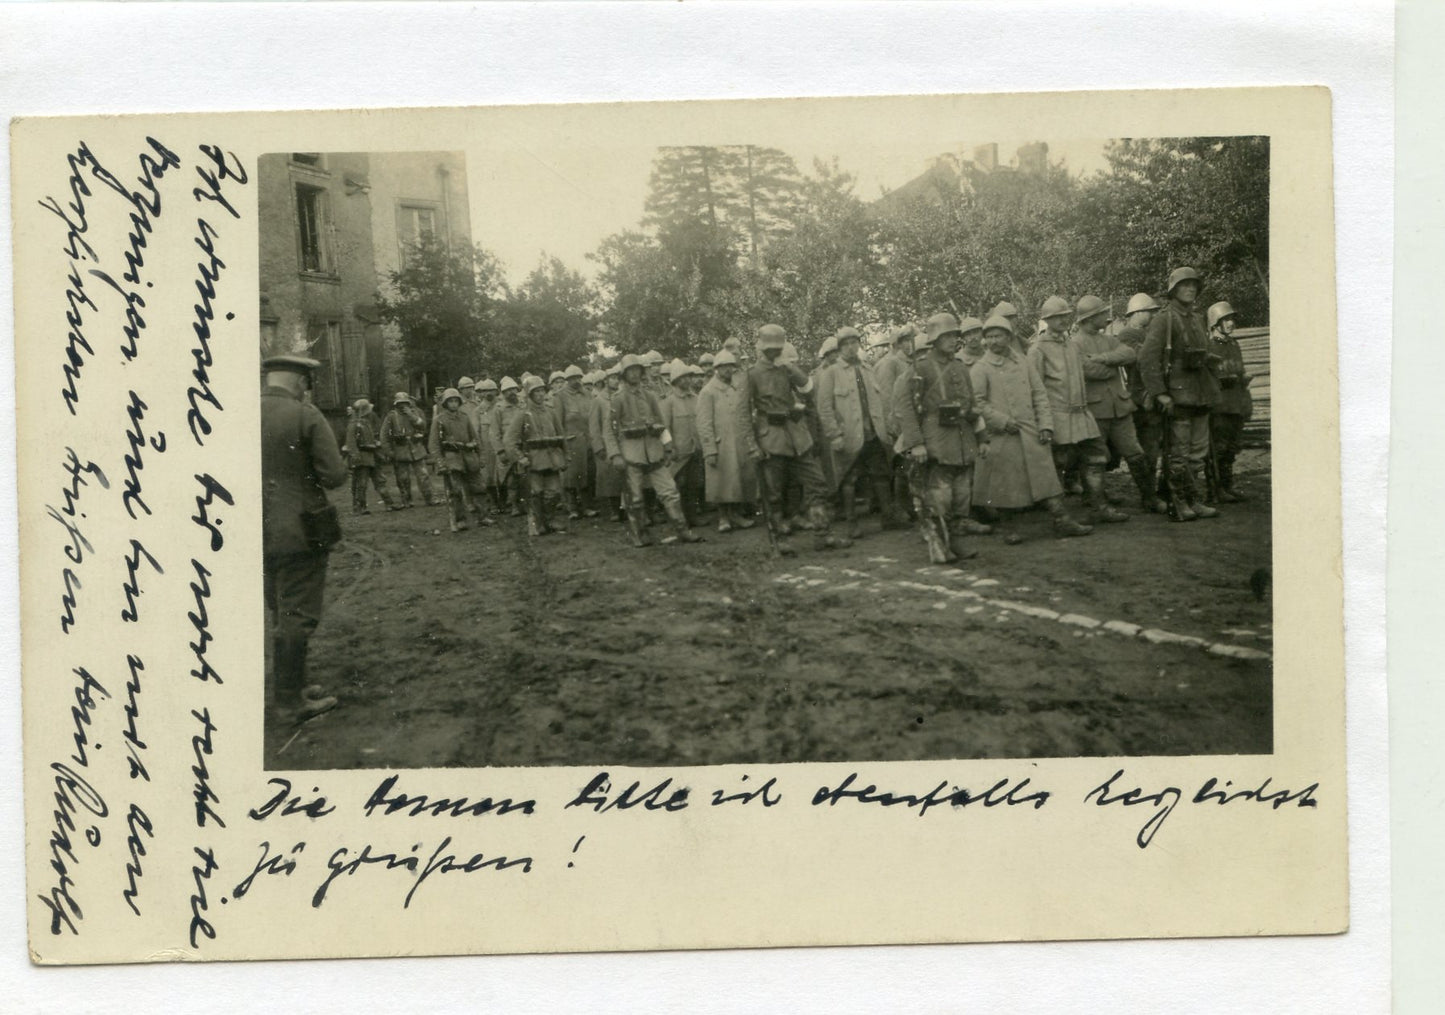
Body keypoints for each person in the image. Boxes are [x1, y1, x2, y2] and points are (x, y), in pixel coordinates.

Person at [261, 355, 346, 724]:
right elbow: (334, 476)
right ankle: (288, 703)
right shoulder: (305, 414)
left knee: (278, 610)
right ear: (300, 383)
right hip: (300, 530)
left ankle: (290, 688)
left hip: (255, 531)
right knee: (296, 615)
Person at [969, 317, 1093, 540]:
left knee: (1046, 477)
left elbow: (1039, 394)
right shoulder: (981, 368)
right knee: (1006, 484)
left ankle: (1062, 520)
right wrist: (1001, 420)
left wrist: (1045, 425)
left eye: (998, 336)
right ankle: (1011, 528)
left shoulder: (1023, 362)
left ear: (1009, 337)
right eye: (989, 337)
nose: (993, 341)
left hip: (1030, 430)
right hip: (1001, 435)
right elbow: (976, 403)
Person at [735, 323, 850, 554]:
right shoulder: (751, 375)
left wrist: (790, 368)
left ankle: (823, 535)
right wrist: (752, 445)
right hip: (771, 439)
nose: (774, 353)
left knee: (818, 483)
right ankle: (780, 541)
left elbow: (808, 390)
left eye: (778, 348)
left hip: (797, 437)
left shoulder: (786, 368)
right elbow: (742, 414)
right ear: (761, 349)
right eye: (770, 349)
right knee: (774, 493)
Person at [896, 313, 990, 562]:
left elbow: (971, 406)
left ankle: (956, 541)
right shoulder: (921, 368)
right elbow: (906, 408)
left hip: (962, 438)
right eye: (946, 336)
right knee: (939, 496)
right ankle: (938, 544)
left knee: (961, 495)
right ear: (934, 340)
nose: (952, 340)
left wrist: (982, 437)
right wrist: (916, 443)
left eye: (954, 336)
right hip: (935, 438)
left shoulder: (960, 367)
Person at [1029, 296, 1128, 524]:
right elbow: (1035, 388)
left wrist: (1107, 369)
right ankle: (1061, 518)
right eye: (1057, 317)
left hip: (1082, 413)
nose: (1063, 320)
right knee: (1058, 464)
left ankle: (1099, 507)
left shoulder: (1072, 345)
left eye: (1065, 315)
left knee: (1096, 458)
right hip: (1057, 415)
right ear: (1047, 320)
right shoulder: (1037, 350)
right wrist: (1043, 421)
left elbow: (1089, 370)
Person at [1072, 295, 1166, 514]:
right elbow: (1087, 370)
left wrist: (1102, 359)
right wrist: (1112, 364)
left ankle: (1149, 498)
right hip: (1096, 410)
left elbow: (1130, 354)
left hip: (1121, 408)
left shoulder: (1108, 339)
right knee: (1095, 459)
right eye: (1102, 314)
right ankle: (1096, 501)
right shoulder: (1075, 343)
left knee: (1135, 453)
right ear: (1090, 317)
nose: (1106, 317)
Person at [1140, 266, 1221, 521]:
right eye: (1184, 286)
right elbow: (1147, 359)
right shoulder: (1164, 319)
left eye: (1193, 286)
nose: (1190, 289)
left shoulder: (1196, 319)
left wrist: (1210, 359)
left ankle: (1193, 499)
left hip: (1200, 395)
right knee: (1179, 453)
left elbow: (1201, 351)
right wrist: (1160, 393)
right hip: (1178, 397)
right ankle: (1178, 502)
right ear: (1173, 290)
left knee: (1197, 453)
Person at [605, 354, 703, 547]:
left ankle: (682, 530)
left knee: (670, 491)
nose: (634, 374)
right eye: (630, 371)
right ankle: (639, 534)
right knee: (635, 498)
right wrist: (615, 455)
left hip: (654, 450)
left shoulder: (650, 396)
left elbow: (661, 422)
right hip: (630, 453)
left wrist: (667, 445)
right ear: (624, 375)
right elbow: (610, 429)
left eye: (637, 370)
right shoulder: (618, 399)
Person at [817, 325, 896, 539]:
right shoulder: (832, 373)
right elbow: (824, 408)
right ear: (840, 348)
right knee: (849, 479)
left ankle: (889, 517)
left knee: (880, 474)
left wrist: (885, 428)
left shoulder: (867, 369)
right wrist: (834, 435)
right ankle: (852, 523)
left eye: (855, 343)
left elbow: (879, 401)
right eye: (846, 344)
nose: (851, 348)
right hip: (849, 436)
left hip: (873, 433)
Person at [696, 349, 755, 533]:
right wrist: (709, 449)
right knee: (720, 481)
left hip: (737, 442)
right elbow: (704, 423)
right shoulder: (708, 392)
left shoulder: (737, 389)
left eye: (730, 366)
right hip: (720, 444)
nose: (728, 370)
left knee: (736, 480)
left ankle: (736, 515)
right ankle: (723, 518)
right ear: (717, 369)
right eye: (724, 367)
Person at [506, 375, 570, 536]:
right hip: (533, 460)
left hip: (552, 457)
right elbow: (510, 439)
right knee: (536, 493)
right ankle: (537, 523)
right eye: (536, 391)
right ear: (530, 394)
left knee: (554, 492)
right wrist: (520, 457)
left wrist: (566, 455)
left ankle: (550, 520)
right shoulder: (523, 414)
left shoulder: (550, 411)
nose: (541, 394)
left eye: (542, 390)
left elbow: (561, 435)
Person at [1116, 292, 1165, 503]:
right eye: (1148, 312)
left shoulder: (1146, 334)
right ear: (1136, 313)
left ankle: (1153, 491)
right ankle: (1148, 494)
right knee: (1146, 447)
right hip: (1139, 397)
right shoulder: (1127, 335)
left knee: (1154, 445)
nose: (1152, 316)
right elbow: (1142, 359)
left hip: (1153, 394)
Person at [1206, 300, 1253, 502]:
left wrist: (1242, 381)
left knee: (1232, 448)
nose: (1231, 323)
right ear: (1215, 323)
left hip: (1236, 403)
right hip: (1219, 405)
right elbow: (1207, 376)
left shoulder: (1234, 344)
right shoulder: (1209, 345)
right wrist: (1223, 380)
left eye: (1232, 319)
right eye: (1226, 319)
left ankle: (1227, 486)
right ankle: (1215, 490)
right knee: (1219, 448)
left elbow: (1239, 369)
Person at [429, 387, 489, 532]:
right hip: (452, 458)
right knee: (455, 491)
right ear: (445, 403)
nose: (454, 404)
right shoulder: (439, 420)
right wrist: (440, 463)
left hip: (469, 456)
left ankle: (483, 516)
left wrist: (480, 456)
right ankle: (460, 519)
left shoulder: (465, 417)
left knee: (479, 487)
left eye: (456, 401)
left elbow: (475, 437)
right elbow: (434, 444)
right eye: (450, 401)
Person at [661, 360, 706, 526]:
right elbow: (665, 427)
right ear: (674, 381)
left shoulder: (696, 398)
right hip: (678, 452)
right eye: (682, 378)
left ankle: (692, 518)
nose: (686, 381)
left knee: (693, 485)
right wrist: (669, 448)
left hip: (695, 449)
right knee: (678, 485)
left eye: (688, 377)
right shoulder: (669, 401)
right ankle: (678, 520)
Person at [380, 392, 434, 508]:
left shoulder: (416, 413)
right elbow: (384, 436)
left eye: (405, 403)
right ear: (396, 404)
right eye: (400, 403)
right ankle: (407, 500)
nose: (402, 405)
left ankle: (429, 498)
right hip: (400, 449)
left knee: (423, 475)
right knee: (403, 478)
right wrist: (389, 452)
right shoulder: (391, 416)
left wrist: (411, 415)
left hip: (416, 448)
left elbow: (423, 426)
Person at [556, 364, 596, 519]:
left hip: (587, 439)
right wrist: (562, 441)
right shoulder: (560, 396)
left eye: (578, 377)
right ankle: (572, 507)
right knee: (571, 476)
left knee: (587, 475)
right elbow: (558, 421)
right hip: (570, 441)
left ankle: (587, 506)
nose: (576, 381)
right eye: (572, 378)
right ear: (567, 380)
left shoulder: (587, 394)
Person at [345, 398, 398, 515]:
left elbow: (371, 438)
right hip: (362, 458)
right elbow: (351, 443)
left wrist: (377, 446)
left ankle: (389, 504)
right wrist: (355, 456)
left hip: (373, 456)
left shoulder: (366, 423)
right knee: (361, 484)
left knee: (380, 481)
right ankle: (359, 507)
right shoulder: (353, 425)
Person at [589, 363, 627, 521]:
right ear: (605, 380)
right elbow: (594, 425)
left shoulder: (623, 396)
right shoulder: (599, 400)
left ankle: (626, 508)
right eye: (612, 378)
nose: (615, 381)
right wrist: (598, 446)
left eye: (617, 378)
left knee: (625, 478)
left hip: (623, 443)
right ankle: (614, 510)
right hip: (606, 444)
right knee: (610, 479)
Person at [488, 376, 524, 516]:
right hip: (506, 448)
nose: (511, 393)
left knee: (524, 478)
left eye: (513, 389)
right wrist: (500, 451)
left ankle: (523, 504)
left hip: (521, 447)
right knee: (510, 480)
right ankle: (513, 505)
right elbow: (494, 433)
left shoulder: (523, 405)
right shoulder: (498, 409)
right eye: (507, 391)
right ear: (503, 393)